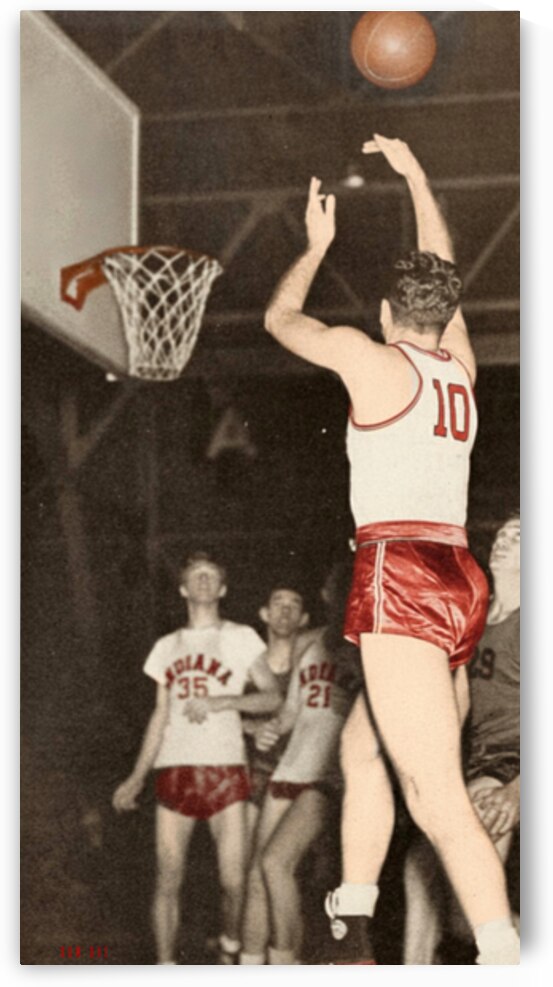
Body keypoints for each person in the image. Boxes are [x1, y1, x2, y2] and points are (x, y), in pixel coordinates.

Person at [264, 133, 519, 964]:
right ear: (443, 317)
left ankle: (503, 955)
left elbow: (278, 318)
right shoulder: (460, 368)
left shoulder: (366, 358)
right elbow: (441, 272)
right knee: (363, 743)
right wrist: (417, 175)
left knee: (435, 793)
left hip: (403, 570)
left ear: (382, 315)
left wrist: (315, 247)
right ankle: (358, 902)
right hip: (457, 575)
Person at [112, 552, 281, 965]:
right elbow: (160, 716)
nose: (204, 581)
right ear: (184, 589)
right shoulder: (166, 647)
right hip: (175, 766)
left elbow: (273, 696)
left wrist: (224, 701)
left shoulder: (241, 637)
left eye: (212, 576)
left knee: (233, 882)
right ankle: (166, 966)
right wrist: (136, 776)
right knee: (168, 880)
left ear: (222, 589)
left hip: (225, 768)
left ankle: (228, 948)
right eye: (196, 576)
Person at [403, 515, 520, 964]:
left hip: (516, 766)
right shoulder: (477, 617)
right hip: (484, 764)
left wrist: (517, 789)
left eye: (520, 536)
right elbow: (456, 707)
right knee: (431, 880)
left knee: (468, 900)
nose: (504, 541)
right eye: (503, 533)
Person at [240, 566, 355, 966]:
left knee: (278, 865)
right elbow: (291, 711)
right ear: (326, 593)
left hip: (327, 777)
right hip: (288, 769)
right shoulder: (311, 645)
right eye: (337, 589)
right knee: (259, 874)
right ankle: (250, 965)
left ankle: (287, 966)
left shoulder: (366, 645)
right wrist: (271, 730)